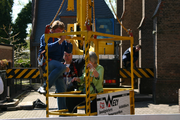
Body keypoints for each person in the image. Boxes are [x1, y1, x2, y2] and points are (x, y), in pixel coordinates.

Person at [37, 20, 72, 110]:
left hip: (57, 66)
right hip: (47, 62)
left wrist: (68, 42)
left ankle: (62, 111)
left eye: (61, 31)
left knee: (62, 89)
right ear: (52, 30)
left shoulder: (61, 39)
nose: (60, 33)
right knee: (61, 67)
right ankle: (44, 86)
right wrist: (60, 41)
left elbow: (68, 51)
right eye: (58, 31)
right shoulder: (46, 36)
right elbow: (47, 48)